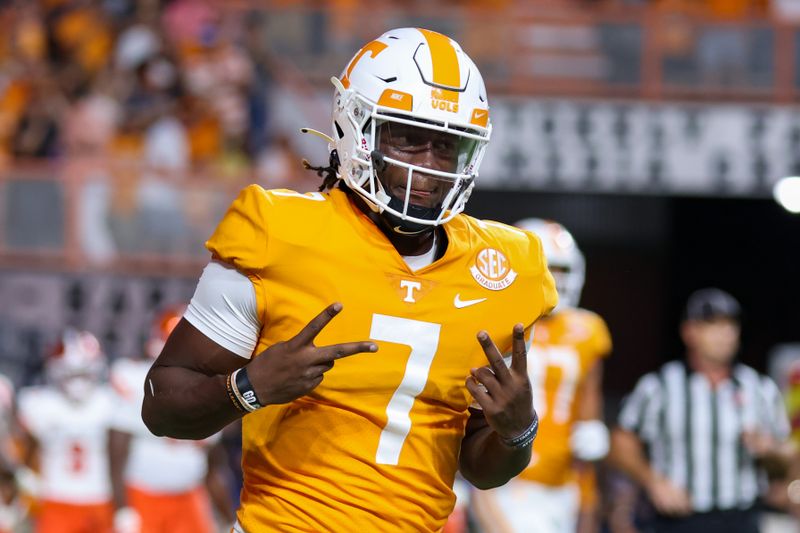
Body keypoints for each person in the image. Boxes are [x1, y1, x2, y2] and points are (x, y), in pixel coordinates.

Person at [142, 27, 557, 532]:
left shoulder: (507, 269)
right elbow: (162, 406)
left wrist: (517, 433)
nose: (428, 167)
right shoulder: (279, 232)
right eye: (408, 138)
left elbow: (481, 467)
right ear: (355, 127)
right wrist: (250, 387)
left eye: (447, 147)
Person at [609, 288, 792, 533]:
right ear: (690, 332)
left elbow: (788, 456)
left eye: (730, 325)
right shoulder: (660, 386)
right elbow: (620, 442)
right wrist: (653, 481)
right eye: (713, 325)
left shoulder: (760, 388)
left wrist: (770, 449)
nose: (725, 334)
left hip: (741, 519)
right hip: (679, 519)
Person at [470, 219, 612, 533]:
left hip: (562, 482)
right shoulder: (496, 321)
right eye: (551, 269)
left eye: (564, 271)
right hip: (507, 479)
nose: (558, 280)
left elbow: (587, 412)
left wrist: (588, 494)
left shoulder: (588, 329)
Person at [108, 305, 235, 533]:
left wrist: (228, 518)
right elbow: (116, 453)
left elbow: (213, 467)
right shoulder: (136, 379)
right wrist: (122, 509)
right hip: (143, 495)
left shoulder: (214, 386)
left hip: (189, 497)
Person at [17, 329, 116, 533]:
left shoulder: (108, 402)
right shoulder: (40, 403)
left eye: (83, 373)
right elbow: (25, 446)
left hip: (100, 497)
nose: (77, 382)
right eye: (70, 373)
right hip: (56, 497)